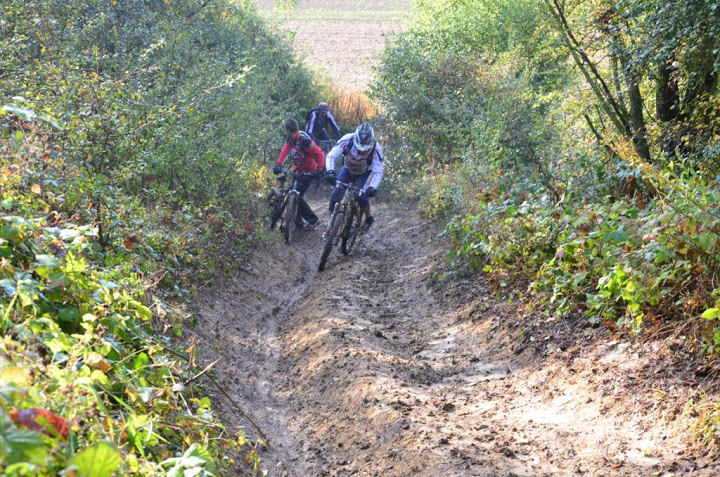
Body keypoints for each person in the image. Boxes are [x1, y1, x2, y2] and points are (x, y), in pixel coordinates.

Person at [323, 123, 383, 233]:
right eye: (359, 149)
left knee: (359, 195)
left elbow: (378, 171)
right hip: (348, 170)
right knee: (336, 194)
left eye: (365, 150)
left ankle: (369, 219)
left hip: (365, 172)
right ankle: (330, 223)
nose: (361, 152)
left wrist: (372, 187)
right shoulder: (347, 140)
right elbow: (331, 155)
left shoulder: (376, 149)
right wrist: (330, 171)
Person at [273, 119, 324, 230]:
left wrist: (319, 170)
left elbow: (320, 154)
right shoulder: (290, 140)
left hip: (309, 172)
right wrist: (278, 164)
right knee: (293, 194)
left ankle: (313, 219)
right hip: (298, 170)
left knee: (297, 196)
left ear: (287, 130)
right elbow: (285, 150)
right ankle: (298, 221)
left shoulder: (304, 141)